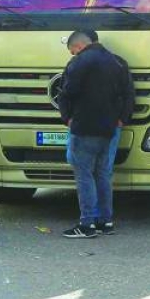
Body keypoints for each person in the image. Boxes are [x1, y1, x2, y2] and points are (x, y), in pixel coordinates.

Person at [57, 30, 134, 238]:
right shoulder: (118, 62)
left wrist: (67, 117)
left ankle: (87, 224)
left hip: (84, 126)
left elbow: (67, 93)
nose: (73, 55)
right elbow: (128, 94)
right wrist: (121, 119)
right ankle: (106, 221)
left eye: (73, 51)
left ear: (80, 46)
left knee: (83, 174)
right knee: (103, 174)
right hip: (111, 128)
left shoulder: (80, 62)